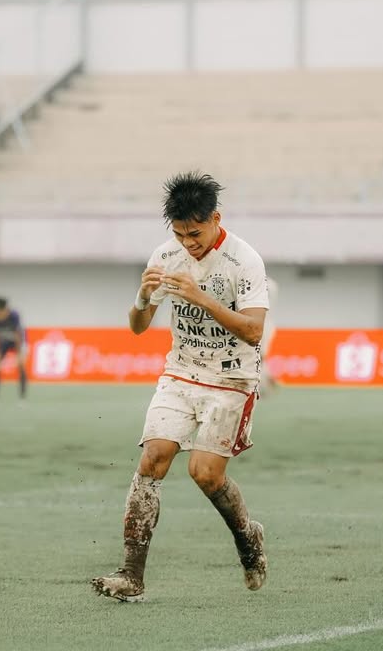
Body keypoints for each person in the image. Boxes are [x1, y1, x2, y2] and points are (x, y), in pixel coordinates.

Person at [92, 172, 270, 602]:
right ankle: (131, 575)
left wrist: (200, 296)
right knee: (154, 457)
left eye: (195, 233)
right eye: (179, 234)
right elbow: (138, 328)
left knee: (205, 475)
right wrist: (140, 297)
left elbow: (254, 331)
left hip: (231, 378)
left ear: (215, 219)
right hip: (180, 372)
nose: (188, 243)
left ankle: (248, 538)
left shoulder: (243, 260)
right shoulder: (166, 255)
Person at [0, 296, 28, 405]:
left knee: (21, 365)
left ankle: (22, 397)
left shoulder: (14, 315)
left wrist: (19, 352)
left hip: (18, 340)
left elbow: (18, 334)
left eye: (2, 312)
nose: (0, 315)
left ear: (6, 309)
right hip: (3, 341)